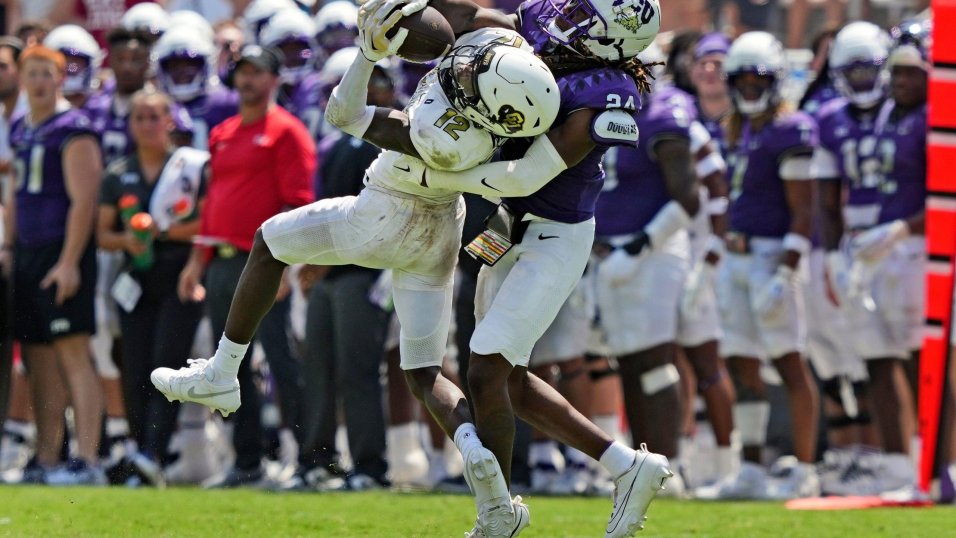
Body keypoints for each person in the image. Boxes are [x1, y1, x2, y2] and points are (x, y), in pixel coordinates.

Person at [151, 18, 562, 537]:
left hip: (385, 213)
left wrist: (366, 53)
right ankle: (482, 467)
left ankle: (223, 371)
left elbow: (342, 113)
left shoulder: (438, 128)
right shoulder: (505, 125)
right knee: (423, 372)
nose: (465, 66)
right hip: (441, 233)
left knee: (268, 241)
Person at [169, 44, 315, 488]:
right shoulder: (223, 132)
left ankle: (309, 461)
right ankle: (247, 461)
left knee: (282, 363)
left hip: (266, 266)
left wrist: (289, 266)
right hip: (223, 264)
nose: (247, 80)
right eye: (242, 72)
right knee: (227, 369)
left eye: (257, 72)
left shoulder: (287, 132)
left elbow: (299, 203)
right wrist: (197, 261)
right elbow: (212, 203)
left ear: (274, 79)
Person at [714, 31, 820, 499]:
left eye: (760, 80)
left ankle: (806, 469)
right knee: (742, 364)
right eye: (743, 80)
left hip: (772, 255)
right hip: (736, 257)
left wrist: (787, 268)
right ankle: (751, 468)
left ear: (776, 82)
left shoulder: (789, 129)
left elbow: (805, 208)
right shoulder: (737, 127)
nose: (751, 88)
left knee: (790, 364)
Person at [96, 89, 208, 485]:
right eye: (139, 118)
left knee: (168, 363)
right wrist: (127, 240)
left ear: (169, 122)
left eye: (153, 117)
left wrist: (165, 230)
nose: (146, 125)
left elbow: (209, 223)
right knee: (135, 366)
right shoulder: (117, 172)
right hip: (136, 279)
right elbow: (103, 234)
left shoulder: (190, 168)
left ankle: (154, 452)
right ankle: (140, 449)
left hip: (178, 274)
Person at [7, 45, 104, 484]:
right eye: (32, 74)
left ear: (60, 78)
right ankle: (47, 458)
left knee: (73, 354)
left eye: (47, 73)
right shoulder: (20, 127)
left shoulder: (74, 128)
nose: (39, 82)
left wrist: (68, 262)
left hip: (60, 252)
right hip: (27, 253)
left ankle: (87, 459)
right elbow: (13, 197)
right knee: (37, 359)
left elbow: (84, 200)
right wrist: (9, 248)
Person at [843, 25, 929, 496]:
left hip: (919, 253)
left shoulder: (936, 117)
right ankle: (899, 468)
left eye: (909, 72)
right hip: (877, 251)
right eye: (894, 70)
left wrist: (902, 229)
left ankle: (939, 465)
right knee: (878, 357)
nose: (898, 79)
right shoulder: (883, 116)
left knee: (925, 359)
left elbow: (945, 198)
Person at [811, 21, 890, 495]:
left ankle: (892, 455)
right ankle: (854, 456)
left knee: (886, 356)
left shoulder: (907, 112)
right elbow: (824, 196)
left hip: (899, 239)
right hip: (851, 244)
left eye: (868, 69)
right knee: (843, 356)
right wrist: (835, 254)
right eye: (851, 70)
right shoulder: (829, 117)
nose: (861, 79)